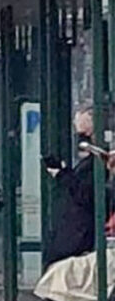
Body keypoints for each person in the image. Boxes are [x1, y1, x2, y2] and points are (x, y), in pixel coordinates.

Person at [41, 106, 104, 268]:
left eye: (84, 132)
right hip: (74, 224)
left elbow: (85, 193)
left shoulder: (97, 161)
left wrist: (63, 175)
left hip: (81, 228)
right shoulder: (90, 161)